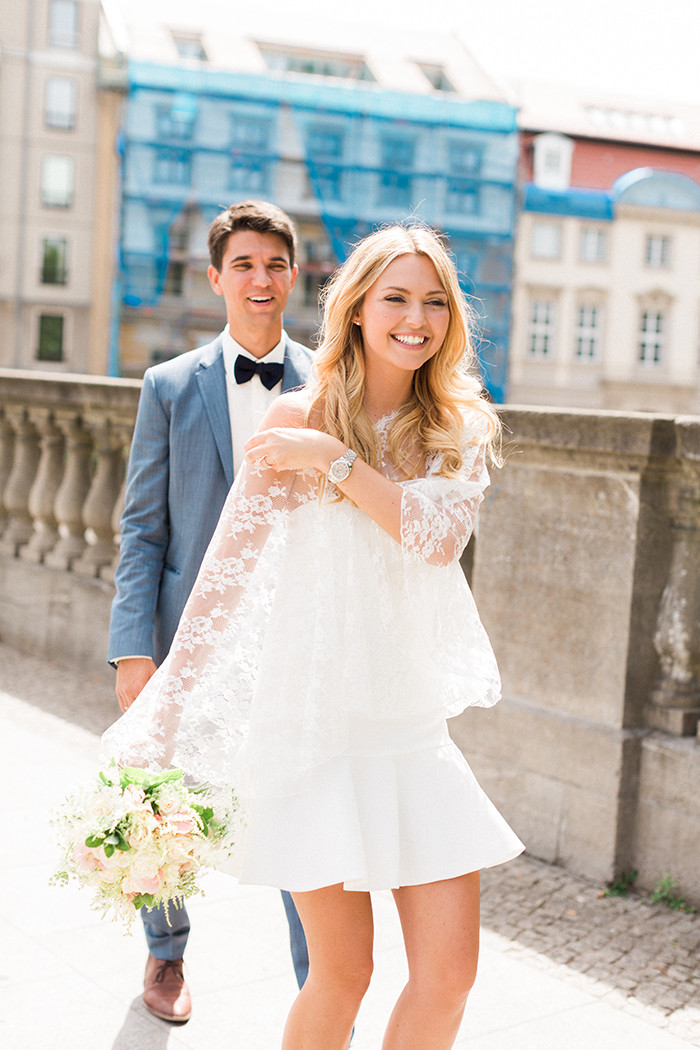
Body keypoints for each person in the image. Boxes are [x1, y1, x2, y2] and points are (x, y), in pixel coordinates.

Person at [104, 221, 524, 1049]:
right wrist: (161, 716)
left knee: (448, 978)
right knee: (342, 975)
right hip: (312, 736)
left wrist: (331, 461)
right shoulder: (294, 412)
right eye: (396, 297)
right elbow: (221, 584)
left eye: (435, 301)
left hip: (409, 734)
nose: (417, 317)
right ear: (358, 307)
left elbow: (436, 540)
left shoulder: (459, 426)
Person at [107, 200, 312, 1022]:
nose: (258, 280)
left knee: (303, 805)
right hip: (185, 631)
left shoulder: (333, 383)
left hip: (294, 634)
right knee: (162, 802)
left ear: (294, 276)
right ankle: (165, 956)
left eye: (273, 265)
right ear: (216, 277)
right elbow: (141, 526)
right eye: (243, 265)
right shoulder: (168, 386)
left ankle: (320, 984)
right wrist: (132, 647)